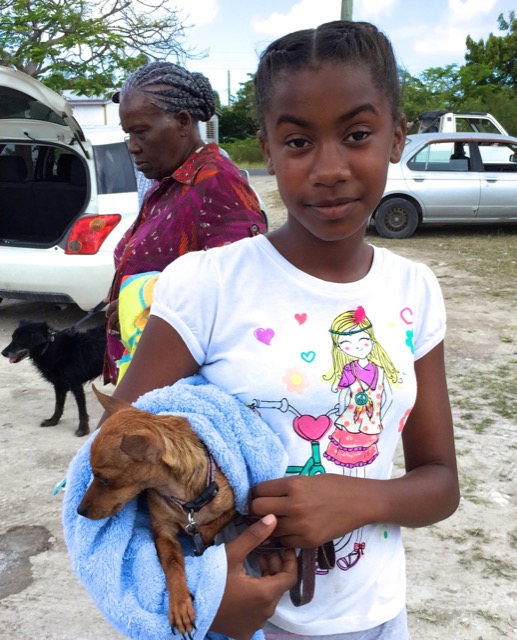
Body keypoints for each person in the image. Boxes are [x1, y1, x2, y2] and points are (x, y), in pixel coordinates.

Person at [110, 20, 460, 639]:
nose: (328, 168)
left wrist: (361, 500)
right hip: (239, 620)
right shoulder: (209, 285)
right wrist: (208, 597)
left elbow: (440, 482)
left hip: (373, 619)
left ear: (397, 137)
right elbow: (108, 460)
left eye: (356, 134)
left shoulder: (415, 291)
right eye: (298, 142)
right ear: (267, 150)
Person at [104, 61, 267, 384]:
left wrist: (142, 301)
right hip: (148, 370)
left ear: (181, 122)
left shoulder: (216, 184)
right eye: (128, 135)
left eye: (140, 132)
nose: (132, 146)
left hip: (179, 385)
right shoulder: (169, 183)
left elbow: (243, 297)